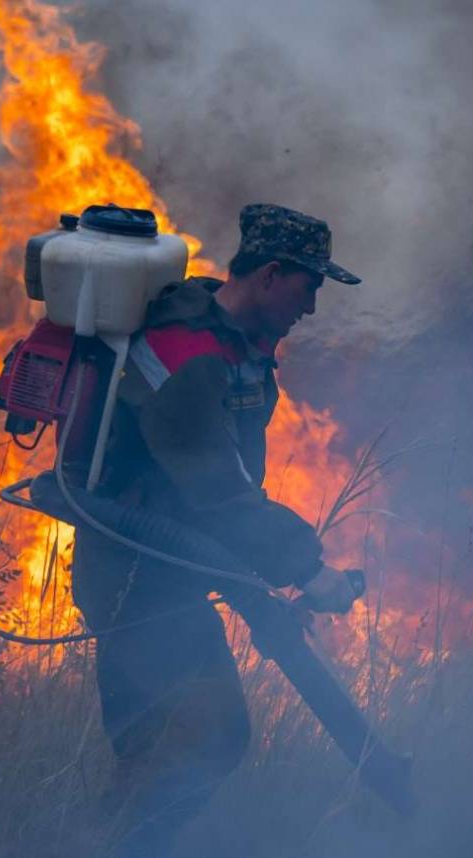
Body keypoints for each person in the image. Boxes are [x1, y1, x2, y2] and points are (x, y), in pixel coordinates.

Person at [69, 203, 363, 854]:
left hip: (173, 576)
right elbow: (217, 494)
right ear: (270, 275)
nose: (312, 306)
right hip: (134, 581)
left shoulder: (240, 350)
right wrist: (306, 569)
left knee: (187, 743)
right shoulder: (187, 350)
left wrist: (255, 584)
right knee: (199, 737)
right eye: (308, 286)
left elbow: (227, 487)